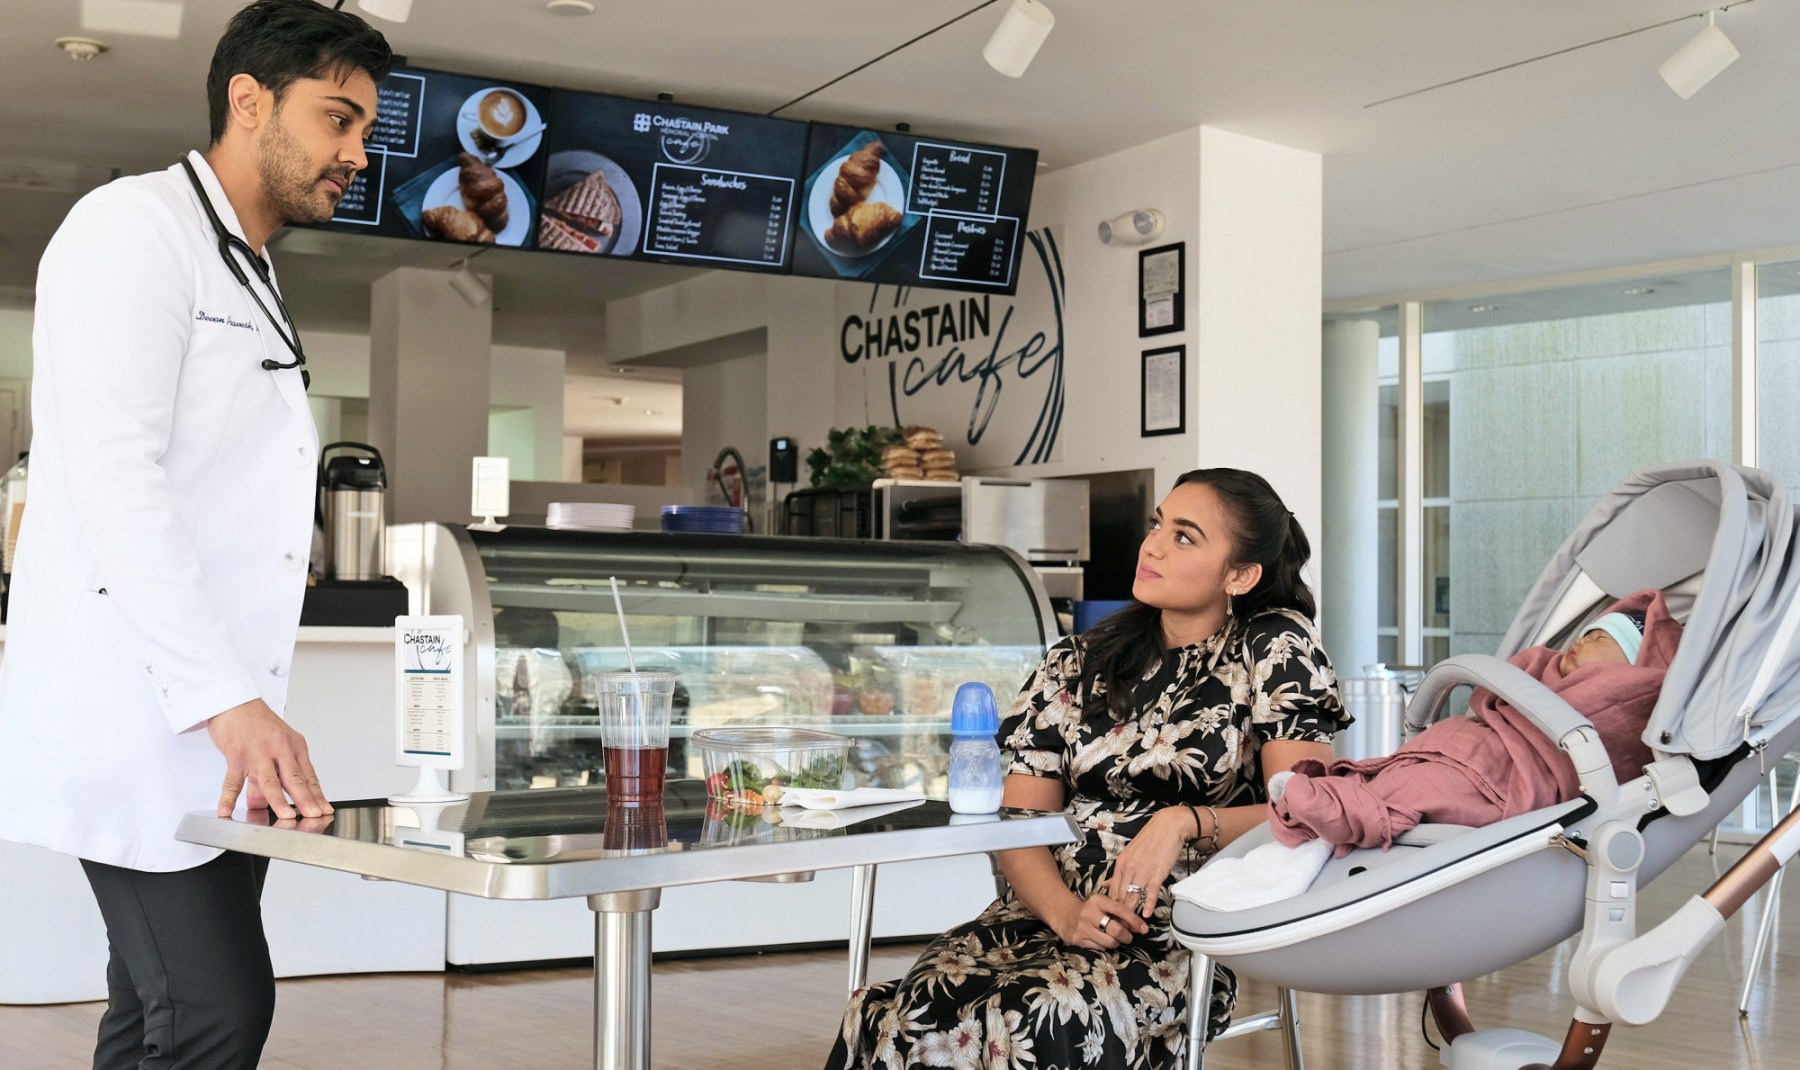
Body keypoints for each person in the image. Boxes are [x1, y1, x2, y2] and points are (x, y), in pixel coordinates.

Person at [0, 3, 390, 1066]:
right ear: (249, 101)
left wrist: (239, 701)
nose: (358, 154)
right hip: (141, 712)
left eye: (364, 128)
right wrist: (231, 703)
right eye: (339, 118)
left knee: (153, 1012)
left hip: (213, 728)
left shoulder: (250, 268)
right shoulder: (131, 230)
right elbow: (116, 483)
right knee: (214, 1009)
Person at [825, 468, 1349, 1069]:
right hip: (1044, 911)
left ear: (1241, 575)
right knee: (919, 1004)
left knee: (1041, 1013)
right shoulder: (1076, 662)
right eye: (1157, 525)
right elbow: (1021, 821)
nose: (1152, 546)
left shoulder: (1275, 647)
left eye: (1184, 536)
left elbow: (1304, 811)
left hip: (1181, 928)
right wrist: (1066, 914)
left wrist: (1181, 821)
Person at [1176, 589, 1680, 911]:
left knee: (1426, 787)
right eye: (1585, 632)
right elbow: (1510, 689)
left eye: (1598, 638)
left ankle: (1333, 809)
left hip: (1506, 774)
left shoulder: (1627, 698)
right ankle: (1333, 799)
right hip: (1474, 743)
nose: (1580, 642)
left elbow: (1607, 724)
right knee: (1401, 771)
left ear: (1630, 665)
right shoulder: (1553, 674)